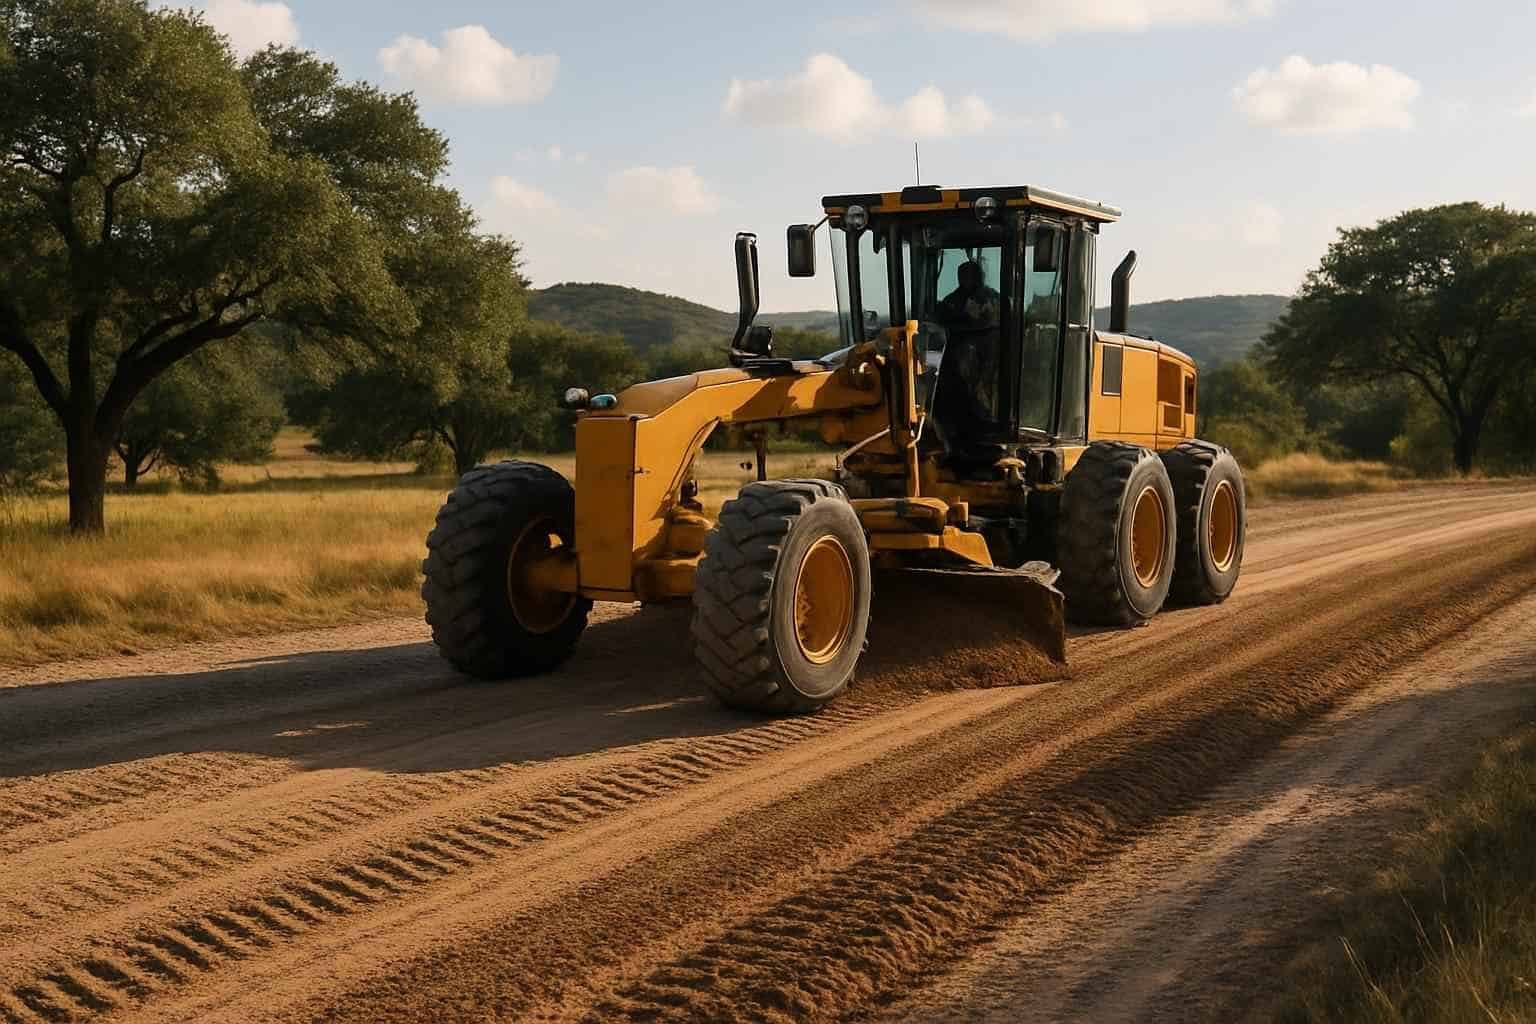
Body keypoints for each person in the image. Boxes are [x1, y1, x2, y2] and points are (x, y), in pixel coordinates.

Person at [937, 260, 1000, 329]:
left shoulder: (991, 296)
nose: (963, 279)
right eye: (962, 275)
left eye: (968, 275)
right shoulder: (952, 300)